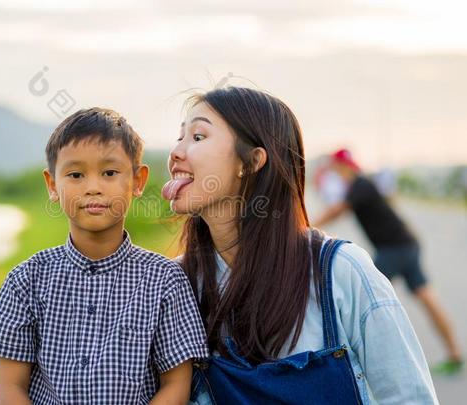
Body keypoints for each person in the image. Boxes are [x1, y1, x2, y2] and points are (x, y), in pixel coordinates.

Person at [162, 87, 438, 403]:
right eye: (179, 137)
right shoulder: (175, 282)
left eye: (197, 137)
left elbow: (409, 397)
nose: (176, 152)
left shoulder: (340, 271)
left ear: (251, 161)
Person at [0, 108, 208, 404]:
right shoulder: (26, 281)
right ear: (52, 185)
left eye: (109, 173)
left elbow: (176, 385)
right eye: (76, 175)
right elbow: (11, 388)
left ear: (138, 181)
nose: (93, 188)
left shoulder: (165, 281)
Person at [314, 148, 463, 375]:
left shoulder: (359, 185)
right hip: (405, 244)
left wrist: (308, 226)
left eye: (335, 166)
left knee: (363, 299)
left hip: (394, 249)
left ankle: (358, 365)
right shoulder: (361, 184)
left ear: (342, 166)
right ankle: (454, 353)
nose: (334, 170)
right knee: (426, 298)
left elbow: (337, 211)